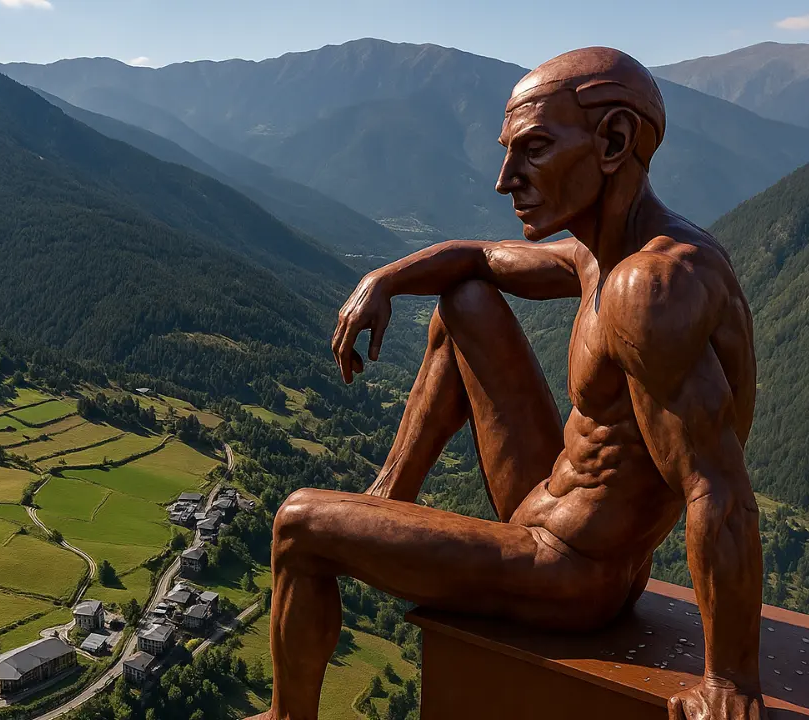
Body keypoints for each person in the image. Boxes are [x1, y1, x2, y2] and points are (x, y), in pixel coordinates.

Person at [251, 47, 765, 720]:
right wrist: (385, 279)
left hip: (571, 573)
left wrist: (728, 680)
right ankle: (386, 500)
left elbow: (716, 486)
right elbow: (480, 259)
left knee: (296, 525)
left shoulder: (650, 289)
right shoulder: (601, 254)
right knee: (464, 299)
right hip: (550, 510)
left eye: (534, 150)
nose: (505, 180)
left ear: (613, 141)